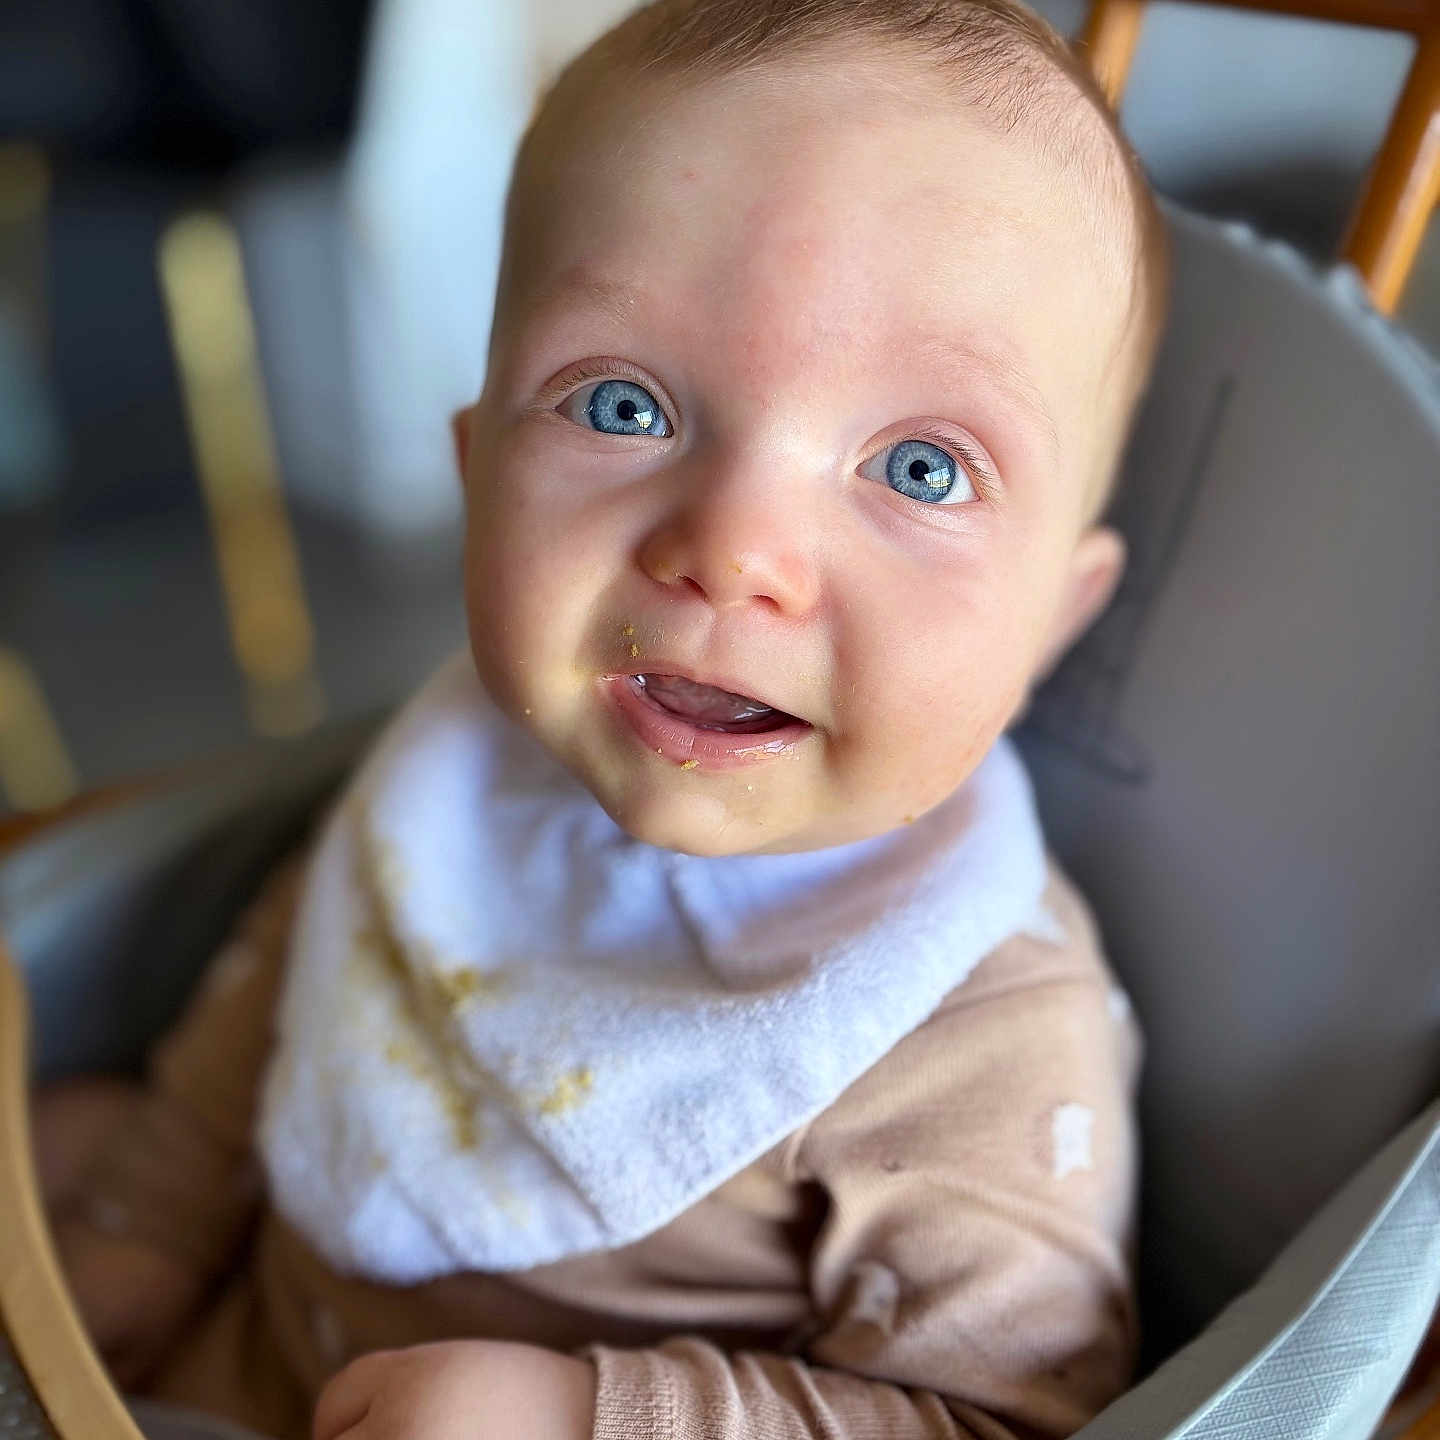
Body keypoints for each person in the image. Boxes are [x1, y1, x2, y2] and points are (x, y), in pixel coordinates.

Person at [35, 1, 1170, 1435]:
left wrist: (587, 1418)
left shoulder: (975, 1040)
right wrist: (147, 1221)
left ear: (1051, 624)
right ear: (478, 478)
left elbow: (1003, 1421)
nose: (735, 550)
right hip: (228, 1341)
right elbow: (297, 966)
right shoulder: (465, 773)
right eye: (623, 405)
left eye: (925, 471)